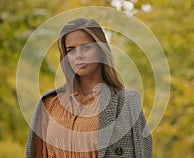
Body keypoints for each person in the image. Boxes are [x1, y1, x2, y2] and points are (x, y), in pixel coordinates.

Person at [26, 18, 152, 158]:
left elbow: (143, 153)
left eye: (86, 47)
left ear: (101, 51)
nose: (78, 55)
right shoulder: (49, 103)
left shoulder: (127, 102)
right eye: (71, 50)